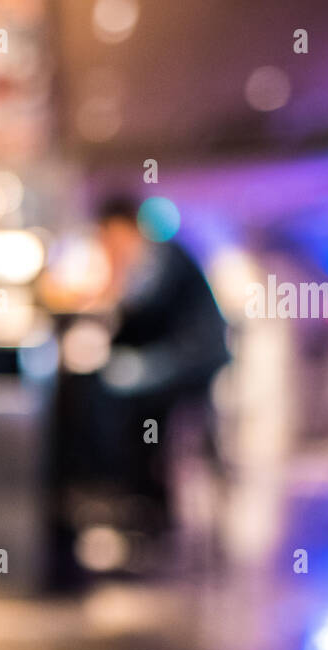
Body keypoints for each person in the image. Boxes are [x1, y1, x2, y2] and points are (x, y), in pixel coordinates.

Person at [91, 195, 230, 531]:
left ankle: (145, 508)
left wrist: (113, 282)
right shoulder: (150, 260)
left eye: (110, 236)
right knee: (119, 395)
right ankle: (139, 501)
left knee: (132, 409)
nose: (107, 245)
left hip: (193, 362)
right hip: (179, 359)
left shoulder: (164, 257)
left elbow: (148, 309)